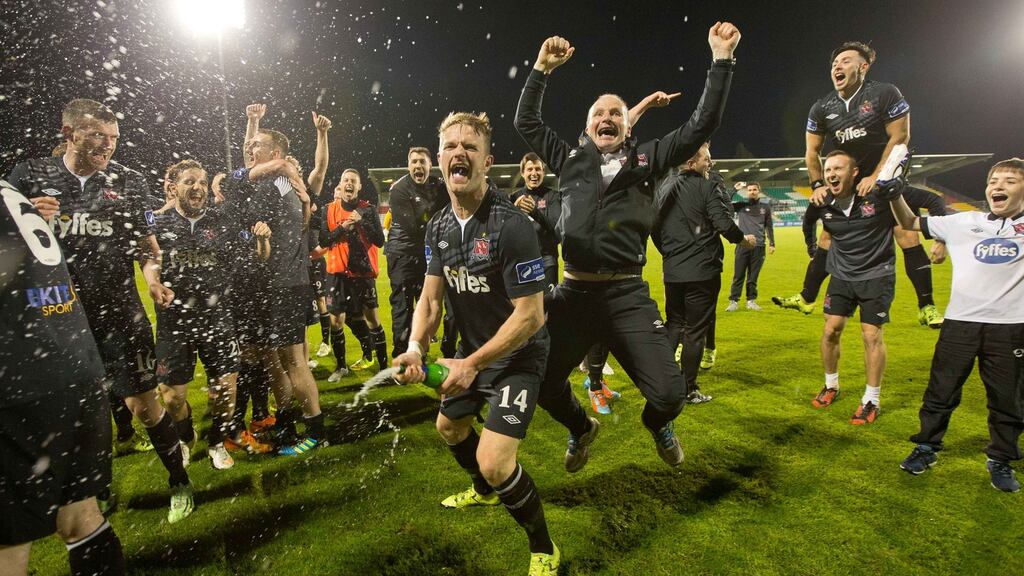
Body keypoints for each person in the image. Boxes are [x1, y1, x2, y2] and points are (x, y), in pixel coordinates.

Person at [514, 22, 740, 469]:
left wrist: (721, 60)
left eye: (616, 113)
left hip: (627, 295)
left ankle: (658, 424)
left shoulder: (648, 159)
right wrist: (541, 68)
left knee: (671, 394)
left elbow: (702, 124)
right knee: (540, 381)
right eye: (599, 113)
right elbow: (526, 122)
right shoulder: (568, 160)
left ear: (626, 125)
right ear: (587, 126)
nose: (607, 118)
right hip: (574, 294)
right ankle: (581, 428)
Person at [7, 98, 195, 523]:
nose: (108, 145)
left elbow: (148, 248)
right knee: (78, 412)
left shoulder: (127, 182)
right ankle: (96, 491)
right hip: (57, 316)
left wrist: (152, 279)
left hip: (119, 312)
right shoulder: (30, 175)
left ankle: (179, 480)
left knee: (144, 406)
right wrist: (23, 219)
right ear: (69, 133)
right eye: (97, 135)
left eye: (113, 137)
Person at [393, 112, 559, 575]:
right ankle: (484, 494)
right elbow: (430, 301)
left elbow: (531, 315)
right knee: (449, 428)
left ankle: (544, 547)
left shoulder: (512, 225)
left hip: (518, 356)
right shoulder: (438, 226)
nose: (459, 153)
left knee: (495, 461)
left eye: (470, 146)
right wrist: (415, 348)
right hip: (473, 354)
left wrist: (472, 364)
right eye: (450, 146)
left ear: (487, 161)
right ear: (440, 158)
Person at [0, 178, 125, 575]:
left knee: (8, 543)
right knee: (80, 517)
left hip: (19, 383)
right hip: (77, 370)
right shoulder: (9, 191)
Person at [774, 41, 946, 328]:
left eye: (845, 61)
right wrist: (817, 184)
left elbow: (900, 137)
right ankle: (806, 298)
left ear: (863, 66)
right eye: (834, 64)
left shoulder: (884, 94)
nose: (837, 67)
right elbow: (811, 151)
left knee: (906, 236)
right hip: (849, 184)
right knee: (828, 238)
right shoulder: (822, 107)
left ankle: (926, 306)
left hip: (885, 181)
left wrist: (877, 176)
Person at [890, 157, 1024, 493]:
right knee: (941, 390)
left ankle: (1001, 459)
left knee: (1007, 399)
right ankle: (926, 447)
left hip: (1011, 327)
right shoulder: (964, 222)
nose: (998, 186)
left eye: (1010, 181)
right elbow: (908, 221)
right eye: (993, 181)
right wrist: (894, 194)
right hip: (960, 324)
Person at [152, 159, 275, 470]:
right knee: (172, 398)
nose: (198, 188)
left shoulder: (222, 223)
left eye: (202, 183)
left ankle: (217, 442)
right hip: (174, 322)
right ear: (173, 188)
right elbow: (144, 256)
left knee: (226, 390)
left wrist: (263, 240)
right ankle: (186, 435)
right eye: (189, 182)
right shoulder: (159, 224)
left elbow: (259, 258)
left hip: (216, 318)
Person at [220, 126, 326, 456]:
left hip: (282, 285)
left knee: (293, 362)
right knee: (280, 360)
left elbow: (228, 186)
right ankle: (285, 422)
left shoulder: (271, 186)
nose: (250, 149)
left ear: (275, 154)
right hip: (288, 282)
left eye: (257, 145)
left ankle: (316, 431)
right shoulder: (289, 185)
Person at [804, 149, 924, 425]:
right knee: (830, 330)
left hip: (876, 277)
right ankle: (830, 385)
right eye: (828, 170)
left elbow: (926, 203)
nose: (832, 174)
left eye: (838, 168)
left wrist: (938, 241)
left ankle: (871, 399)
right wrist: (812, 251)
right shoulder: (824, 201)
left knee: (871, 336)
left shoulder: (876, 196)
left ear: (854, 172)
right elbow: (811, 224)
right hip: (841, 276)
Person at [653, 143, 754, 405]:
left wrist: (670, 253)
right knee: (695, 331)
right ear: (691, 163)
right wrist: (744, 240)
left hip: (674, 270)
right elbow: (723, 223)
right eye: (706, 160)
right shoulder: (707, 187)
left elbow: (653, 227)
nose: (710, 164)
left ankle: (661, 383)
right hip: (702, 271)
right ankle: (688, 389)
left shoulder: (663, 187)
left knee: (674, 324)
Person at [318, 169, 388, 379]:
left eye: (353, 181)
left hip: (363, 274)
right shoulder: (328, 209)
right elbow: (324, 240)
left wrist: (361, 222)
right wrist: (342, 229)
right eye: (345, 180)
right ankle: (341, 367)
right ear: (340, 185)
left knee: (372, 319)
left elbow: (380, 241)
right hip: (337, 275)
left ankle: (384, 369)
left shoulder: (369, 210)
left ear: (359, 186)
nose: (349, 183)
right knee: (336, 321)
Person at [384, 147, 451, 357]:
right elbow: (413, 227)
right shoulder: (399, 190)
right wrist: (441, 224)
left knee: (427, 305)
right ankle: (401, 357)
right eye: (414, 162)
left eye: (422, 161)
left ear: (430, 165)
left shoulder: (440, 187)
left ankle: (420, 351)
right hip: (402, 254)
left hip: (427, 254)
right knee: (403, 307)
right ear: (408, 165)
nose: (418, 166)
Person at [726, 181, 774, 311]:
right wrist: (734, 190)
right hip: (743, 244)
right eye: (750, 190)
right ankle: (733, 301)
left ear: (759, 191)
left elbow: (769, 226)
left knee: (753, 277)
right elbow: (724, 204)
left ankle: (751, 301)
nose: (752, 192)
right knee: (738, 275)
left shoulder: (765, 207)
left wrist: (772, 243)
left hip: (759, 246)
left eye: (754, 190)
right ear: (747, 192)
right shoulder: (741, 205)